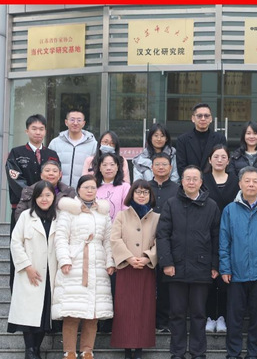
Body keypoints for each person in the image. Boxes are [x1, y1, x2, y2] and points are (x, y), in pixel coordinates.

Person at [156, 165, 221, 359]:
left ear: (201, 182)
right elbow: (162, 235)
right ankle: (177, 352)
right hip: (175, 267)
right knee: (176, 313)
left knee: (199, 313)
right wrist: (167, 262)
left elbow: (217, 237)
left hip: (202, 268)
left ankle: (198, 352)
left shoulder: (211, 206)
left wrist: (215, 265)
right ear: (182, 181)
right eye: (187, 179)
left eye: (195, 179)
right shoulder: (171, 204)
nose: (191, 182)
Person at [52, 174, 115, 359]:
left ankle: (87, 350)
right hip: (75, 263)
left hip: (97, 264)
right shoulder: (68, 211)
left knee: (93, 313)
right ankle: (69, 351)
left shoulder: (103, 213)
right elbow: (61, 237)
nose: (89, 190)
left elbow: (108, 240)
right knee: (72, 311)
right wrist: (64, 260)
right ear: (78, 189)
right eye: (86, 187)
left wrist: (110, 262)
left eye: (93, 187)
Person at [219, 167, 257, 359]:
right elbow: (224, 241)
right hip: (236, 272)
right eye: (247, 181)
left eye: (255, 181)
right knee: (234, 317)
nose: (251, 184)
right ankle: (233, 353)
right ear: (240, 184)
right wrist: (225, 268)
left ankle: (254, 353)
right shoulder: (230, 210)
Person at [8, 180, 59, 359]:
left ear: (54, 197)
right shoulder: (25, 217)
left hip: (50, 273)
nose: (44, 199)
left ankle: (35, 350)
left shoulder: (59, 218)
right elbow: (15, 243)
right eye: (40, 195)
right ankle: (29, 350)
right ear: (35, 198)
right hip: (30, 272)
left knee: (44, 314)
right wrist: (27, 266)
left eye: (48, 195)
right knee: (28, 313)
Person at [110, 180, 160, 359]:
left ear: (150, 195)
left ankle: (139, 349)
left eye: (145, 192)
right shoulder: (122, 216)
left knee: (144, 309)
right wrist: (129, 258)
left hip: (146, 269)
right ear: (132, 194)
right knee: (125, 309)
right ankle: (126, 349)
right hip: (126, 268)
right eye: (138, 192)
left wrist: (148, 257)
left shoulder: (157, 218)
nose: (141, 195)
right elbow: (115, 239)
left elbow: (160, 241)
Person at [202, 144, 239, 333]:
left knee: (225, 275)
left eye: (223, 156)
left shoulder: (236, 180)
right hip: (206, 232)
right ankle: (209, 316)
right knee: (209, 274)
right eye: (215, 156)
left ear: (228, 160)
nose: (219, 160)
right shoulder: (202, 179)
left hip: (231, 233)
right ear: (210, 159)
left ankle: (223, 316)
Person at [147, 152, 179, 333]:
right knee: (147, 283)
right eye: (157, 164)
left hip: (170, 241)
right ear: (151, 167)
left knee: (166, 283)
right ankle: (147, 320)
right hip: (146, 240)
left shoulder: (177, 189)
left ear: (171, 167)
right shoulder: (144, 187)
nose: (160, 167)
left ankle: (163, 321)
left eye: (164, 164)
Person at [6, 114, 60, 220]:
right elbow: (15, 179)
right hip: (22, 205)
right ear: (27, 131)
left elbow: (56, 178)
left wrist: (46, 197)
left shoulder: (52, 154)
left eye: (41, 129)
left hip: (47, 206)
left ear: (45, 131)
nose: (38, 132)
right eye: (34, 129)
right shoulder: (16, 153)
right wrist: (33, 196)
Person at [14, 160, 76, 228]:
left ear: (60, 175)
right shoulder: (29, 191)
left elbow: (73, 215)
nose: (51, 173)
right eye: (47, 170)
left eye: (55, 171)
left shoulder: (68, 192)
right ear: (41, 175)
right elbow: (20, 213)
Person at [48, 110, 97, 188]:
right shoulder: (55, 143)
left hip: (83, 190)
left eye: (79, 120)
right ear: (66, 122)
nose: (75, 123)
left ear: (83, 123)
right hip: (59, 189)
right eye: (72, 120)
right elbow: (48, 166)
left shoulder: (93, 144)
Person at [175, 103, 226, 178]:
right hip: (191, 181)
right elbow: (181, 166)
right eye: (199, 116)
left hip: (213, 181)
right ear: (193, 118)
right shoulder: (182, 140)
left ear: (211, 119)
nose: (203, 119)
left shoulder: (220, 138)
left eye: (206, 116)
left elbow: (223, 163)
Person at [94, 152, 130, 221]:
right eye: (104, 165)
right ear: (99, 168)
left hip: (117, 226)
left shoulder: (125, 187)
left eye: (112, 165)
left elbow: (126, 210)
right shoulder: (93, 186)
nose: (108, 168)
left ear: (117, 167)